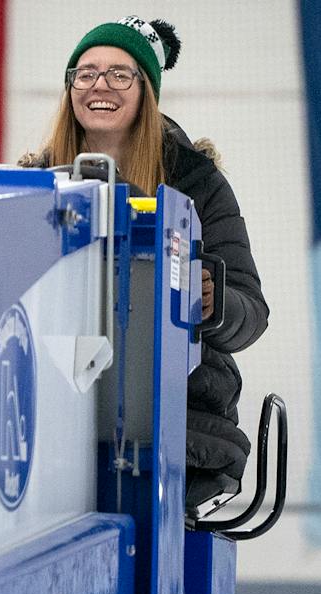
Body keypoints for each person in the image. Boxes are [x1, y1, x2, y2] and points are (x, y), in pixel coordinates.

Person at [23, 16, 268, 510]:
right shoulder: (33, 182)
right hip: (59, 406)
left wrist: (212, 302)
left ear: (146, 90)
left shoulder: (197, 184)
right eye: (86, 73)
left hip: (177, 415)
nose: (100, 86)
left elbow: (251, 315)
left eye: (119, 74)